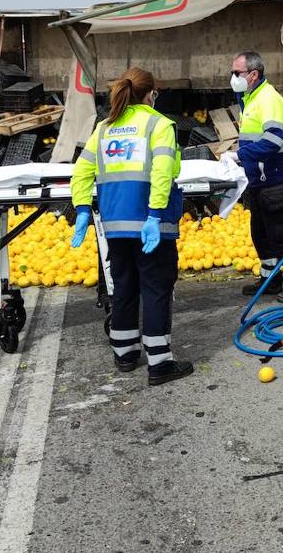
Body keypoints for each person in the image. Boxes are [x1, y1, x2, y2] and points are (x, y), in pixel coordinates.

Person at [69, 66, 193, 386]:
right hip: (152, 226)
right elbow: (163, 174)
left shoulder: (105, 128)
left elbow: (80, 173)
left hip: (115, 226)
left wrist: (83, 208)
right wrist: (153, 216)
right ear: (151, 93)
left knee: (124, 286)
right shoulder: (159, 124)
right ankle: (160, 363)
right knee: (155, 288)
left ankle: (125, 353)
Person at [231, 50, 283, 303]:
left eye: (237, 73)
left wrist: (239, 156)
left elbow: (272, 139)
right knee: (260, 232)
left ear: (253, 74)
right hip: (258, 180)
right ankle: (271, 278)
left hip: (275, 179)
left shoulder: (268, 99)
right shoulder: (250, 97)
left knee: (279, 234)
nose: (233, 77)